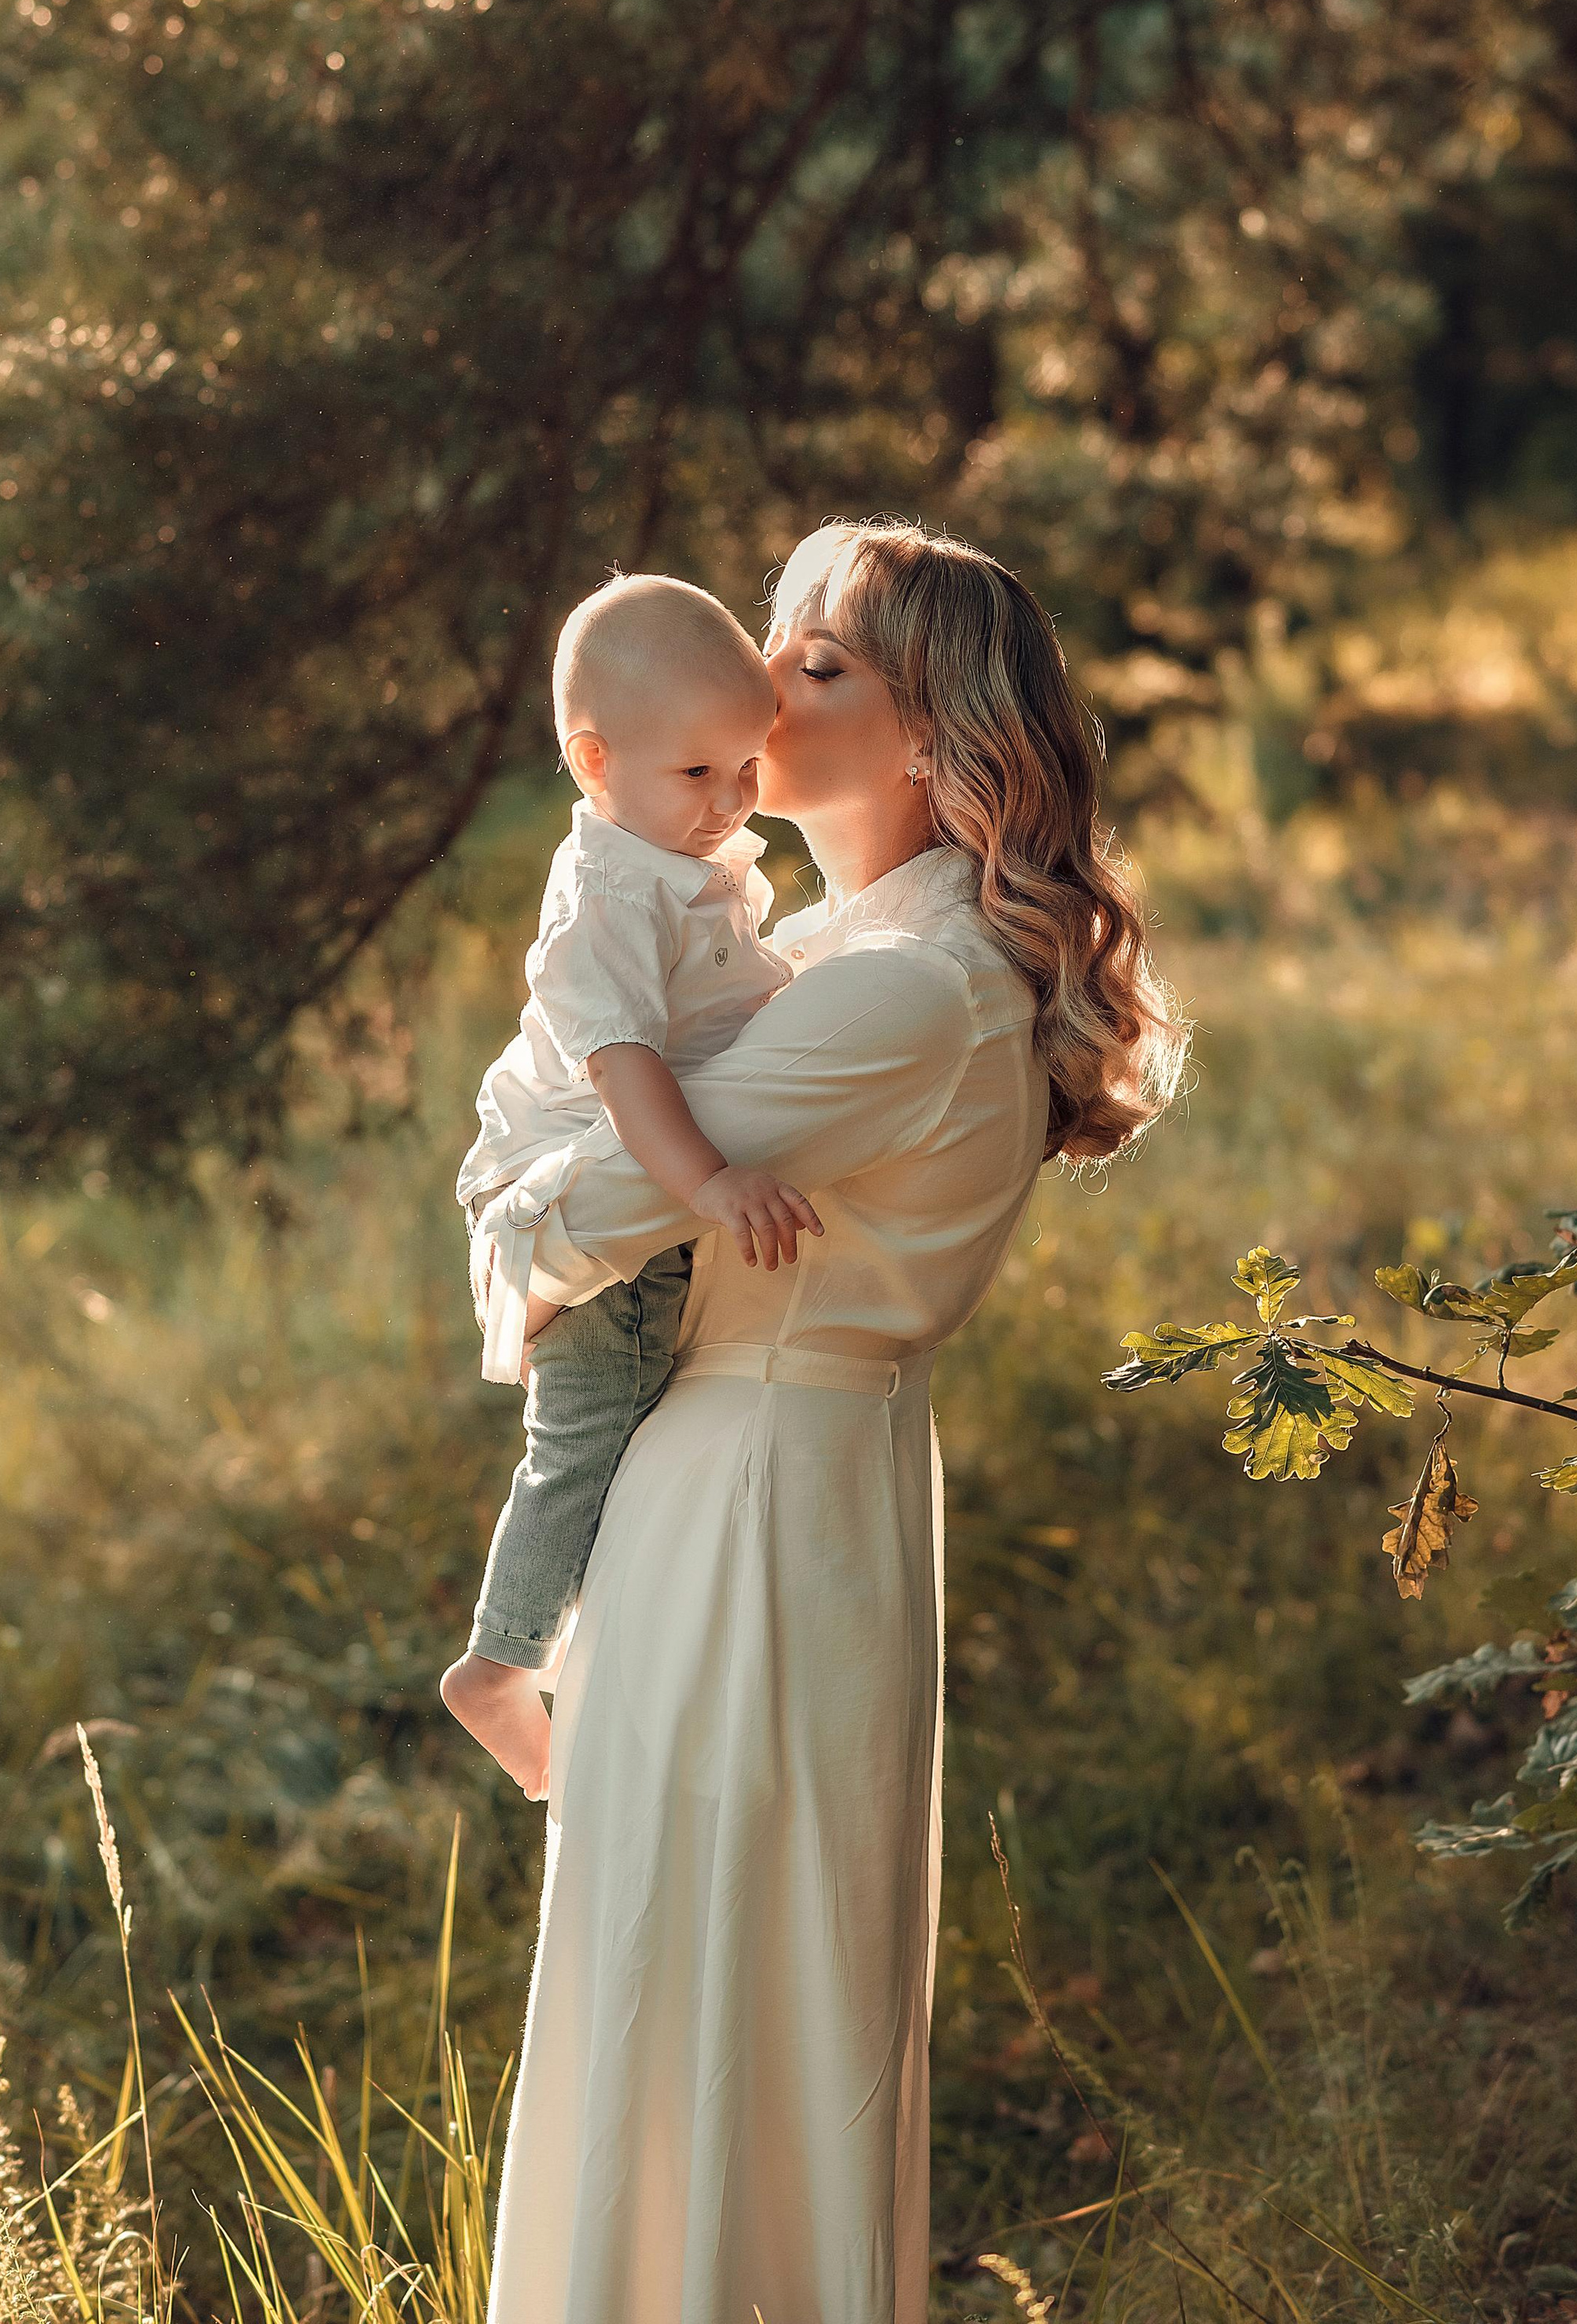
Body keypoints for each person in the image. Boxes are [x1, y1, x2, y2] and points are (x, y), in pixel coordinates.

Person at [480, 520, 1185, 2324]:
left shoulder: (904, 987)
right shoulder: (845, 946)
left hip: (757, 1493)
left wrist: (528, 1171)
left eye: (813, 664)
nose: (757, 683)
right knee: (709, 1977)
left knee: (717, 1984)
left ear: (933, 740)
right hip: (772, 1471)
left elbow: (560, 1218)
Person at [442, 574, 820, 1802]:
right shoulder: (607, 893)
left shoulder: (672, 852)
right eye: (698, 776)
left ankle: (596, 1644)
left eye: (745, 769)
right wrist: (706, 1184)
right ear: (595, 763)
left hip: (610, 1173)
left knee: (640, 1410)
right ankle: (500, 1664)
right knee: (594, 1418)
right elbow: (625, 1068)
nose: (733, 802)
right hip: (564, 1181)